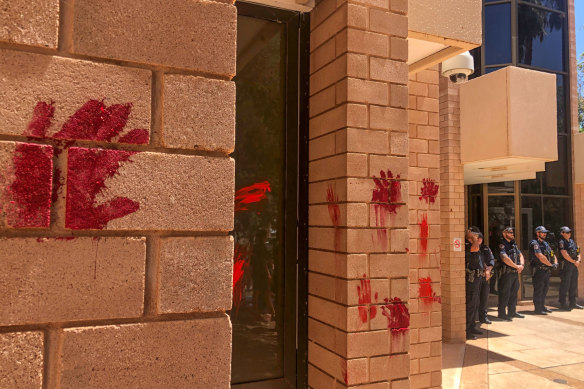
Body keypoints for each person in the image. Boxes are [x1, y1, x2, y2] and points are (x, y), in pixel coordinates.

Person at [497, 227, 525, 321]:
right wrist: (516, 266)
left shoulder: (513, 244)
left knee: (514, 293)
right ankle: (502, 313)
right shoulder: (502, 244)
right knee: (505, 293)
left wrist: (521, 265)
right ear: (504, 234)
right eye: (510, 232)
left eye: (513, 232)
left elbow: (520, 255)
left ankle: (512, 312)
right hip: (506, 273)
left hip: (515, 273)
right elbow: (504, 258)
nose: (512, 234)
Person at [529, 226, 557, 315]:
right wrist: (550, 265)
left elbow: (552, 254)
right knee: (539, 289)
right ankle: (538, 309)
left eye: (545, 232)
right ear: (537, 233)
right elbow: (540, 256)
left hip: (546, 270)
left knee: (545, 289)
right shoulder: (534, 243)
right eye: (542, 232)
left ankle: (542, 306)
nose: (545, 234)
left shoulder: (545, 243)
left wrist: (555, 263)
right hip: (538, 270)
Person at [465, 230, 484, 340]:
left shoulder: (475, 246)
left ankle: (472, 327)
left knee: (475, 304)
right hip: (471, 281)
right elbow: (475, 247)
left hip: (477, 279)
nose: (477, 238)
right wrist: (472, 236)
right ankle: (467, 331)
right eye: (475, 236)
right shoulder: (468, 245)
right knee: (470, 306)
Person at [558, 226, 583, 311]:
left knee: (573, 284)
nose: (569, 234)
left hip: (574, 265)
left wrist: (579, 260)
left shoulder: (572, 241)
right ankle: (563, 303)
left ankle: (573, 303)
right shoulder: (562, 242)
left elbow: (578, 251)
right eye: (567, 232)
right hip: (567, 265)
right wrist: (574, 261)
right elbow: (564, 254)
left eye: (569, 232)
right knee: (565, 284)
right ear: (562, 233)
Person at [477, 233, 494, 324]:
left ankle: (483, 317)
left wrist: (489, 269)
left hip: (484, 277)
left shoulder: (485, 248)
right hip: (475, 277)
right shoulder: (472, 248)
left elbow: (491, 259)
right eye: (477, 238)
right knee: (474, 299)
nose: (479, 239)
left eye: (481, 238)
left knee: (484, 298)